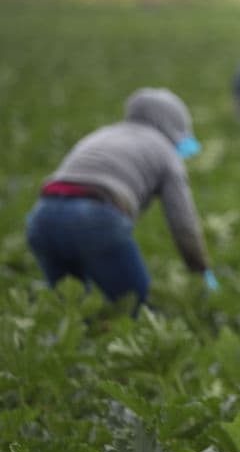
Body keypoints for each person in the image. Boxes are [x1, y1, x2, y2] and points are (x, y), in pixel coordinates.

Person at [25, 87, 219, 312]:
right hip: (94, 218)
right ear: (175, 124)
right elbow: (183, 223)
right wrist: (201, 270)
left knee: (71, 314)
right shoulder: (165, 151)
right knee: (139, 314)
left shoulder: (103, 134)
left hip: (42, 218)